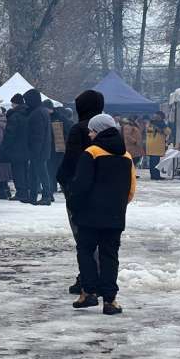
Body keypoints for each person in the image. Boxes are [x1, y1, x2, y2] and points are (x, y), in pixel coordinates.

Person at [68, 114, 135, 315]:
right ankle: (110, 300)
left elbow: (81, 185)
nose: (89, 134)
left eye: (92, 130)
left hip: (89, 214)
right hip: (114, 216)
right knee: (110, 255)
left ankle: (88, 292)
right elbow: (131, 188)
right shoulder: (126, 156)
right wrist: (118, 206)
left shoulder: (92, 153)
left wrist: (74, 204)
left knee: (86, 252)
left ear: (99, 131)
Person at [56, 89, 105, 295]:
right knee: (102, 236)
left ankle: (87, 278)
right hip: (104, 189)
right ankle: (101, 276)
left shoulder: (79, 129)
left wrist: (63, 180)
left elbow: (71, 160)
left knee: (83, 236)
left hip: (80, 189)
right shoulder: (109, 128)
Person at [23, 89, 53, 205]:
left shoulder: (37, 113)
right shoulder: (42, 111)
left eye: (27, 100)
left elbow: (38, 135)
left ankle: (46, 196)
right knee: (35, 173)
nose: (26, 103)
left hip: (38, 150)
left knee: (41, 173)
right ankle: (34, 196)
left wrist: (35, 151)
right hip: (41, 149)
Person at [0, 94, 29, 201]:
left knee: (17, 171)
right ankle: (25, 191)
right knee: (24, 170)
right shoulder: (27, 113)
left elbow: (10, 134)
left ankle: (20, 192)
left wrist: (5, 147)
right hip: (26, 148)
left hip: (16, 148)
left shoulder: (15, 116)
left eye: (12, 103)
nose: (11, 105)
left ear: (16, 103)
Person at [48, 100, 73, 193]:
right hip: (59, 147)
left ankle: (57, 187)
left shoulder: (58, 118)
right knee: (56, 168)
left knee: (54, 168)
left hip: (58, 147)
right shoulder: (62, 118)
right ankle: (59, 186)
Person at [146, 111, 171, 180]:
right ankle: (155, 176)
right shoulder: (152, 124)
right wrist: (160, 130)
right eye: (156, 115)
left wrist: (161, 130)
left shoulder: (160, 124)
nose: (156, 117)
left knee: (154, 162)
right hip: (154, 145)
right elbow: (168, 131)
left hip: (155, 145)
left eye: (158, 116)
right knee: (154, 162)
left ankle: (155, 175)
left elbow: (168, 132)